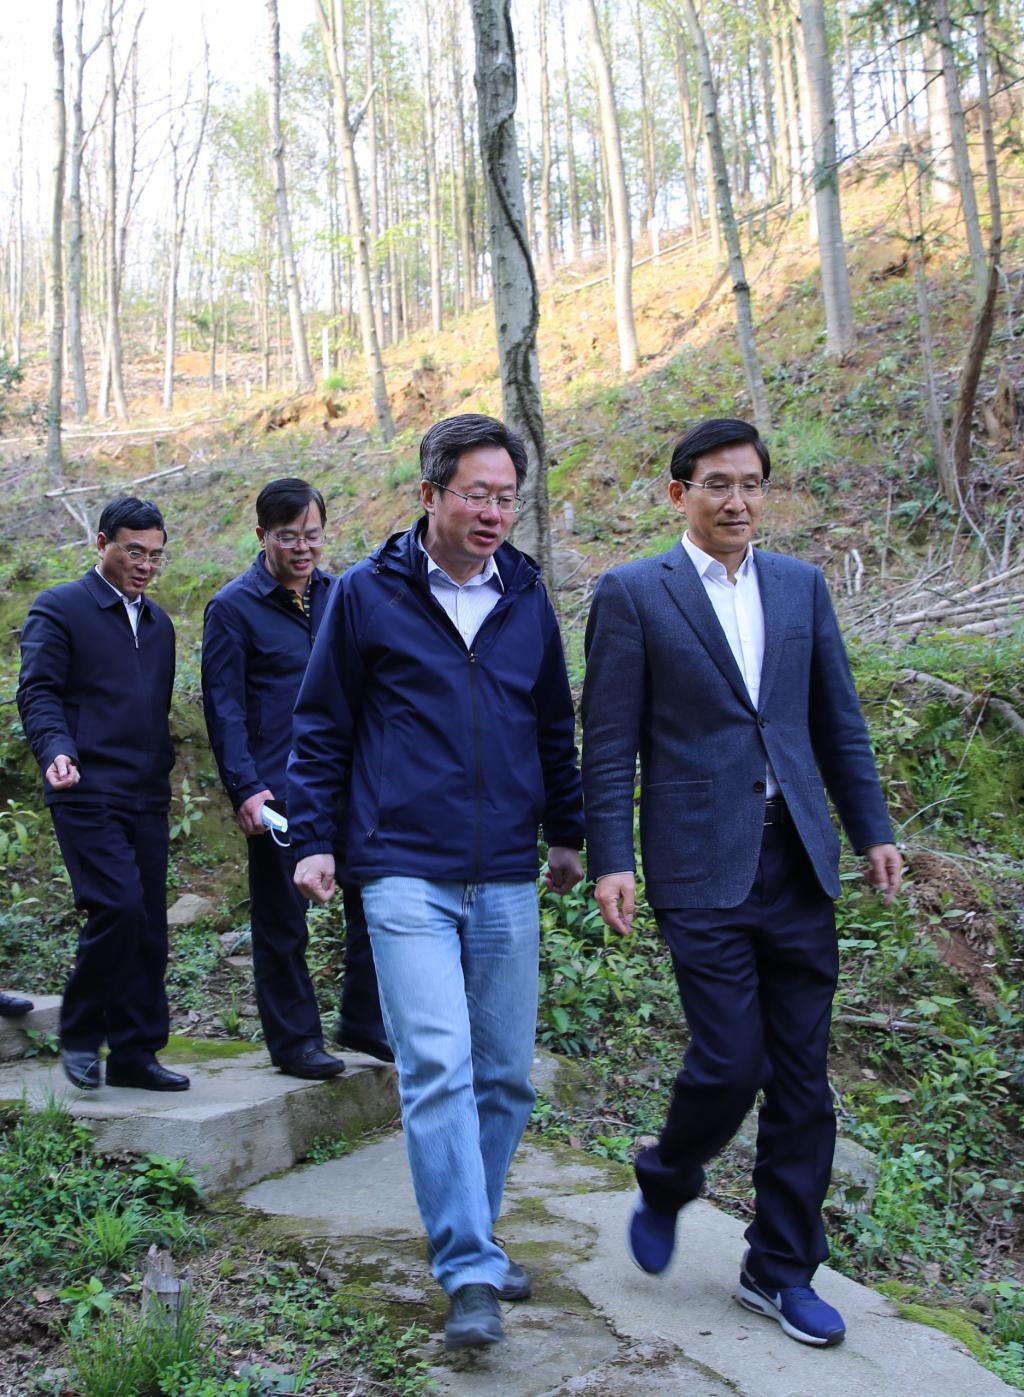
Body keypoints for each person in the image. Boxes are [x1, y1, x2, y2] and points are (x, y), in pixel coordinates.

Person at [581, 418, 903, 1348]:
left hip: (798, 858)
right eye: (717, 483)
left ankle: (779, 1267)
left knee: (804, 1080)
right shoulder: (635, 592)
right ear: (677, 493)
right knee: (731, 1060)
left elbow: (837, 721)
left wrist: (872, 829)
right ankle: (669, 1174)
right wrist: (612, 856)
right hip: (697, 863)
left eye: (752, 483)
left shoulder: (800, 586)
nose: (737, 501)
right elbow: (608, 740)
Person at [288, 413, 585, 1350]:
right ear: (430, 494)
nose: (494, 512)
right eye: (476, 494)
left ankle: (476, 1235)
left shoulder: (526, 595)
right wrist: (314, 838)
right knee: (437, 1064)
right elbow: (321, 724)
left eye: (506, 497)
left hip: (504, 872)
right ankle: (466, 1266)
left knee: (504, 1075)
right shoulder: (365, 594)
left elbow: (553, 723)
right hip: (401, 866)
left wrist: (569, 832)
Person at [202, 478, 389, 1080]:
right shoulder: (233, 608)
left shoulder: (341, 595)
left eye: (312, 535)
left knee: (373, 899)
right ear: (262, 536)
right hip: (277, 788)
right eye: (288, 537)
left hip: (347, 780)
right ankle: (294, 1041)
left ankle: (364, 1019)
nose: (303, 548)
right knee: (283, 919)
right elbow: (225, 708)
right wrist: (245, 787)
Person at [17, 497, 188, 1093]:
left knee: (148, 927)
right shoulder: (61, 607)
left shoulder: (159, 625)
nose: (145, 565)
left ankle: (136, 1053)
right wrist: (56, 749)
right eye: (134, 551)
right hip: (84, 785)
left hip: (146, 792)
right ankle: (81, 1029)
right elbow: (38, 690)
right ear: (102, 544)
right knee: (117, 905)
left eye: (156, 555)